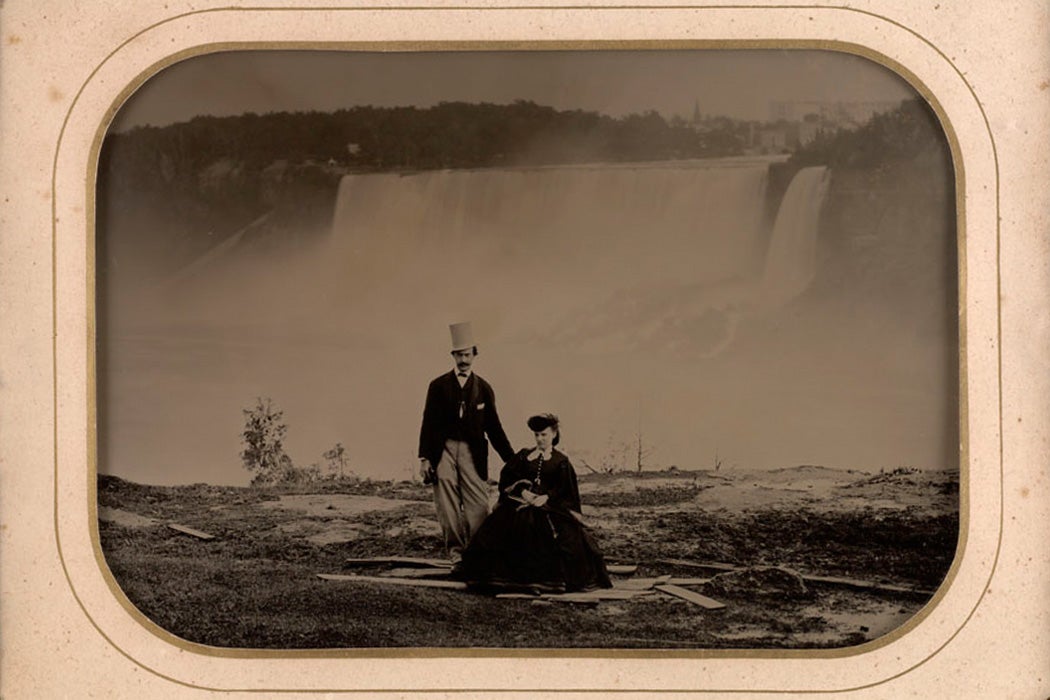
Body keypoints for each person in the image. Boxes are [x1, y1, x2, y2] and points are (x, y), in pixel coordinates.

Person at [456, 413, 612, 593]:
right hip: (518, 504)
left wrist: (547, 497)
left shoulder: (561, 462)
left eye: (544, 435)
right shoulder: (523, 456)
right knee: (502, 528)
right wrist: (523, 492)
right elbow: (507, 479)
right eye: (537, 435)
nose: (540, 439)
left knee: (555, 535)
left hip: (550, 509)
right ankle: (501, 579)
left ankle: (544, 580)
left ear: (554, 434)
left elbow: (566, 490)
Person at [418, 322, 515, 564]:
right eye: (459, 355)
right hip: (444, 451)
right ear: (453, 356)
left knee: (478, 503)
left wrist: (512, 460)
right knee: (447, 505)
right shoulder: (437, 386)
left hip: (473, 452)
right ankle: (456, 554)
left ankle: (479, 553)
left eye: (467, 354)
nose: (464, 359)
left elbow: (494, 428)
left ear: (474, 355)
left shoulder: (483, 388)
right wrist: (424, 458)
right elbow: (428, 423)